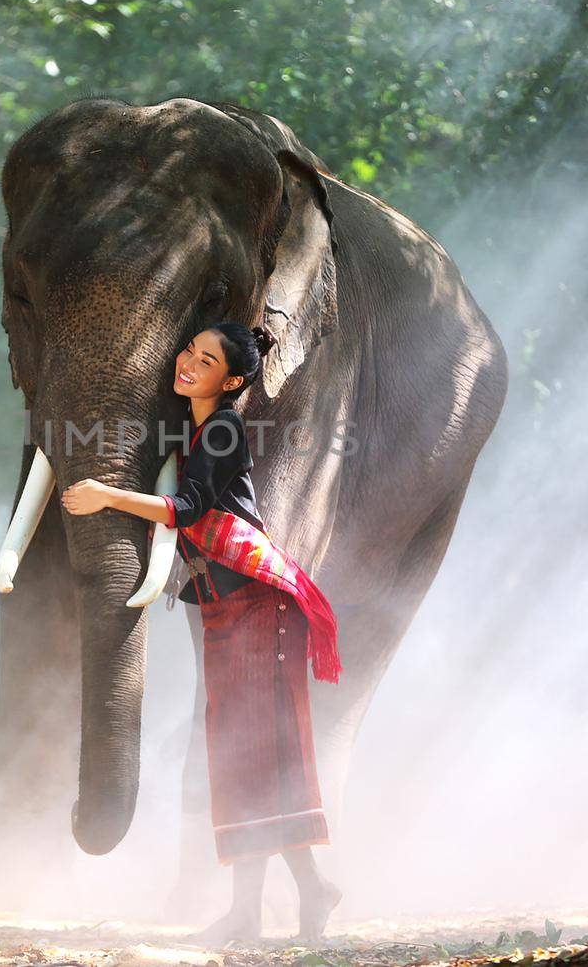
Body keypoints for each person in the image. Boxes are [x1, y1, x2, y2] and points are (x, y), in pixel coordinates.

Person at [60, 322, 344, 946]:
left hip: (256, 607)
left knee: (258, 753)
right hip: (226, 608)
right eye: (189, 349)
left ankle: (288, 899)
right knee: (238, 754)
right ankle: (275, 902)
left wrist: (107, 495)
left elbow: (187, 509)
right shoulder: (193, 429)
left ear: (233, 380)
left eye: (206, 358)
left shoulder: (223, 428)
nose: (188, 361)